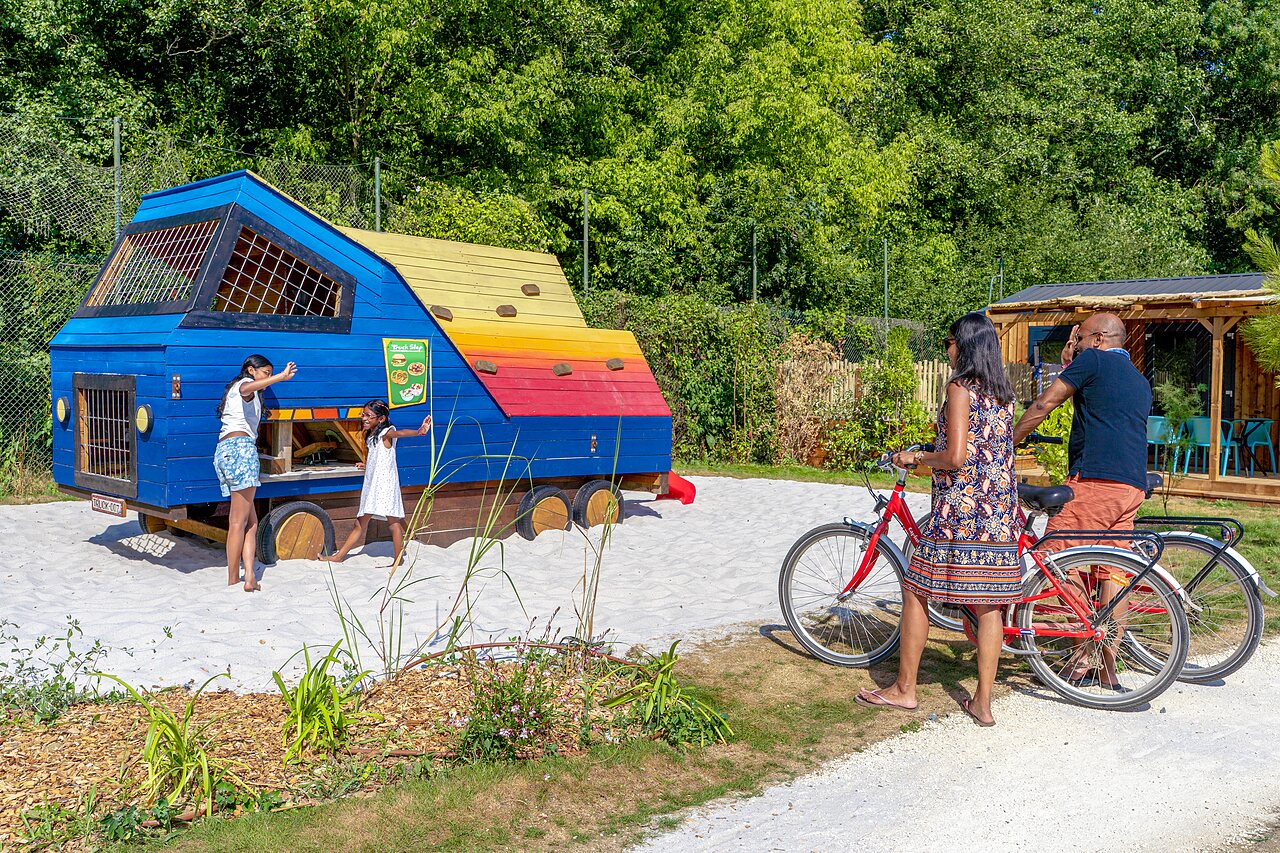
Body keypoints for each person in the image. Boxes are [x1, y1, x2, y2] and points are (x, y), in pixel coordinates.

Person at [856, 312, 1020, 727]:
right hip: (999, 511)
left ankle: (904, 690)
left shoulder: (959, 388)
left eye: (948, 341)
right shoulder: (1004, 392)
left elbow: (956, 457)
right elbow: (983, 446)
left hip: (961, 512)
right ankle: (982, 704)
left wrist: (918, 457)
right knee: (987, 606)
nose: (945, 350)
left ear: (963, 345)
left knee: (915, 590)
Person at [1012, 312, 1152, 689]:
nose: (1074, 340)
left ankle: (1076, 660)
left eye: (1080, 335)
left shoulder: (1092, 360)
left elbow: (1045, 404)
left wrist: (1006, 444)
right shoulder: (1138, 379)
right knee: (1114, 574)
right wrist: (1070, 355)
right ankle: (1106, 668)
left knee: (1056, 561)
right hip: (1131, 487)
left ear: (1098, 339)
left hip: (1095, 483)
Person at [215, 354, 296, 591]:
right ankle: (233, 579)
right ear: (251, 370)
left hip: (225, 452)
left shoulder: (236, 391)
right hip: (241, 452)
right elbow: (249, 387)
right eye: (265, 373)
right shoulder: (243, 386)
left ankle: (249, 575)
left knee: (251, 521)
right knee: (238, 522)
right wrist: (280, 377)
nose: (268, 378)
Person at [325, 400, 431, 564]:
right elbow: (378, 457)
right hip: (372, 484)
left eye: (368, 415)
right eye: (363, 414)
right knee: (360, 523)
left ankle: (398, 560)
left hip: (385, 484)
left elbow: (400, 433)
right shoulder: (372, 434)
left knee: (393, 523)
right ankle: (339, 557)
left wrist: (420, 431)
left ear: (381, 419)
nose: (364, 418)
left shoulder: (386, 432)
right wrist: (366, 464)